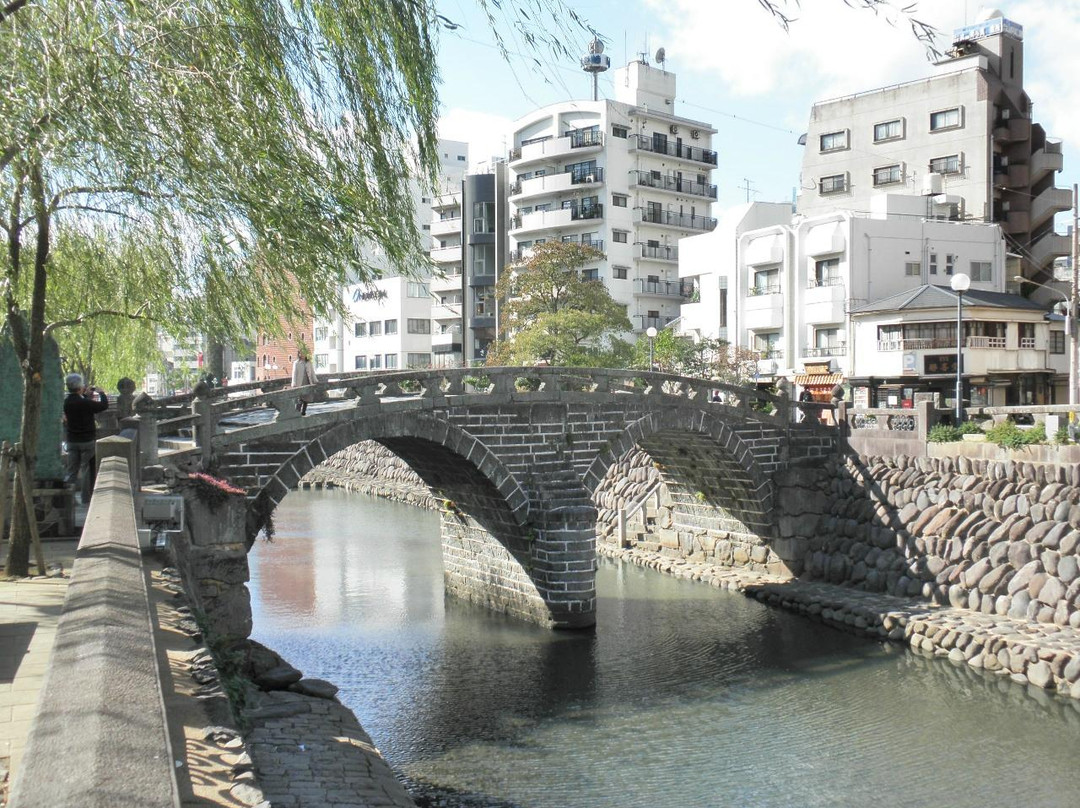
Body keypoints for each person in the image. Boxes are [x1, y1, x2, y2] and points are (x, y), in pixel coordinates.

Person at [63, 373, 109, 504]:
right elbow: (103, 406)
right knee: (86, 470)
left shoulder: (67, 402)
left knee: (71, 470)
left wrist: (85, 395)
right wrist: (101, 393)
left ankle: (68, 499)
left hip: (72, 440)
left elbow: (79, 402)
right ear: (79, 387)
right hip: (87, 441)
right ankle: (85, 498)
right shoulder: (85, 403)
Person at [291, 344, 318, 415]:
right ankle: (297, 412)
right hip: (300, 382)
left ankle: (303, 412)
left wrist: (315, 380)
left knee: (307, 398)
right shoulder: (296, 363)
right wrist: (294, 383)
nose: (303, 354)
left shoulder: (309, 363)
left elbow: (312, 372)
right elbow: (294, 374)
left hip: (307, 381)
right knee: (299, 398)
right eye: (301, 353)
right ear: (299, 354)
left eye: (304, 353)